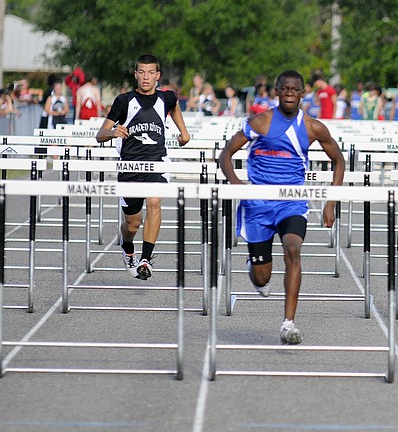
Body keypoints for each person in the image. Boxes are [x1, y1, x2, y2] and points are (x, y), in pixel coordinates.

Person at [219, 70, 345, 345]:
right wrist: (236, 183)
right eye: (284, 88)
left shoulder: (313, 127)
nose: (289, 93)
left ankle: (288, 323)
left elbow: (339, 160)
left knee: (293, 249)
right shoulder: (260, 122)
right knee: (263, 279)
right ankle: (255, 266)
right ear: (276, 92)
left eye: (294, 89)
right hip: (258, 206)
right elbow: (226, 153)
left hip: (292, 203)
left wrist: (330, 202)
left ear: (302, 94)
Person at [95, 54, 191, 280]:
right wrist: (112, 132)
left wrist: (183, 132)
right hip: (129, 167)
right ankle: (127, 246)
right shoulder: (124, 101)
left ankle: (146, 259)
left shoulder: (166, 98)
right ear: (136, 74)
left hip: (157, 162)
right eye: (141, 72)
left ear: (158, 76)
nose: (146, 77)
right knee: (132, 224)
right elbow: (100, 134)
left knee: (155, 202)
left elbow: (175, 106)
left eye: (150, 73)